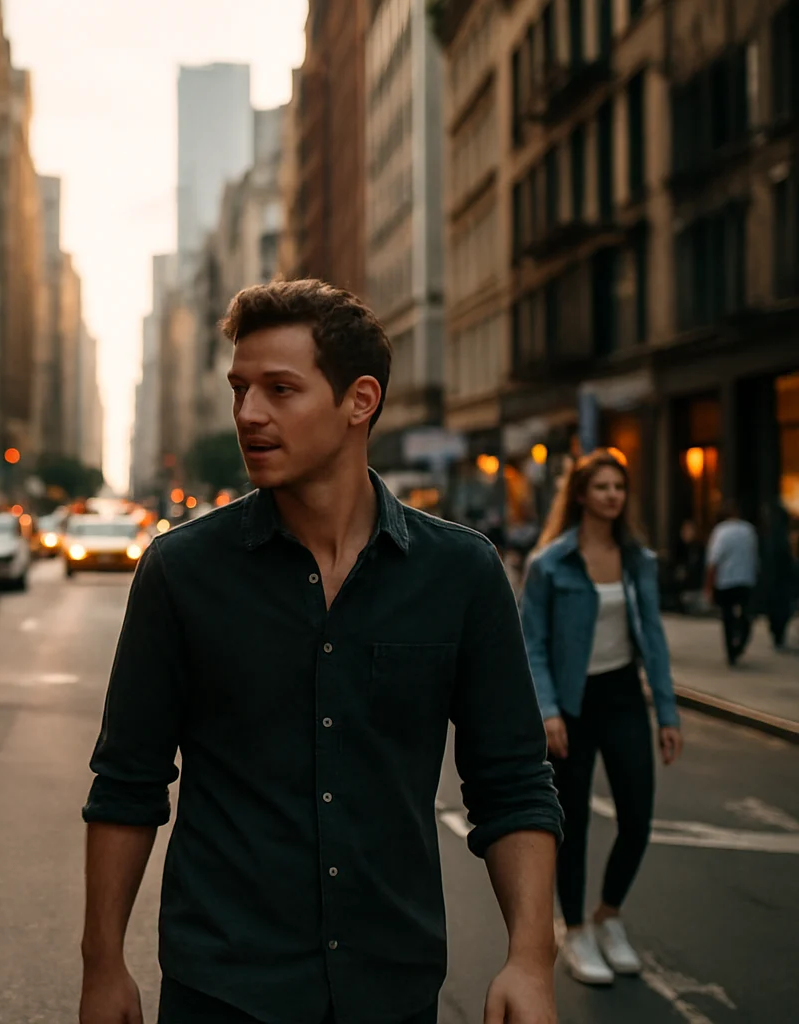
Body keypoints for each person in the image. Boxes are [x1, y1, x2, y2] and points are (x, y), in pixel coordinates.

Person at [79, 279, 563, 1024]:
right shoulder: (182, 571)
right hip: (222, 989)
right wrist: (103, 964)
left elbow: (513, 781)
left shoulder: (461, 573)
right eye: (239, 389)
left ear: (358, 401)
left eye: (279, 389)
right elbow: (127, 782)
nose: (248, 414)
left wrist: (530, 959)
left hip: (392, 990)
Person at [519, 449, 683, 987]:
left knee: (637, 816)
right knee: (574, 824)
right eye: (603, 487)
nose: (614, 495)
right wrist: (548, 712)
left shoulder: (639, 561)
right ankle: (576, 931)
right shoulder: (551, 563)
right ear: (583, 495)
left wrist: (666, 710)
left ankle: (608, 915)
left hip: (622, 699)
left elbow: (653, 640)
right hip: (572, 704)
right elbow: (533, 642)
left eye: (620, 487)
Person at [704, 503, 760, 665]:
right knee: (746, 614)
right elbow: (755, 555)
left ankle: (731, 650)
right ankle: (741, 641)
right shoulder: (749, 530)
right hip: (745, 579)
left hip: (726, 580)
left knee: (727, 615)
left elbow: (713, 560)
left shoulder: (721, 531)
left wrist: (708, 585)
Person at [760, 501, 795, 649]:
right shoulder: (777, 536)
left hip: (776, 578)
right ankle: (778, 634)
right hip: (778, 578)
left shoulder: (773, 535)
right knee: (779, 608)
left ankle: (777, 634)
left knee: (778, 608)